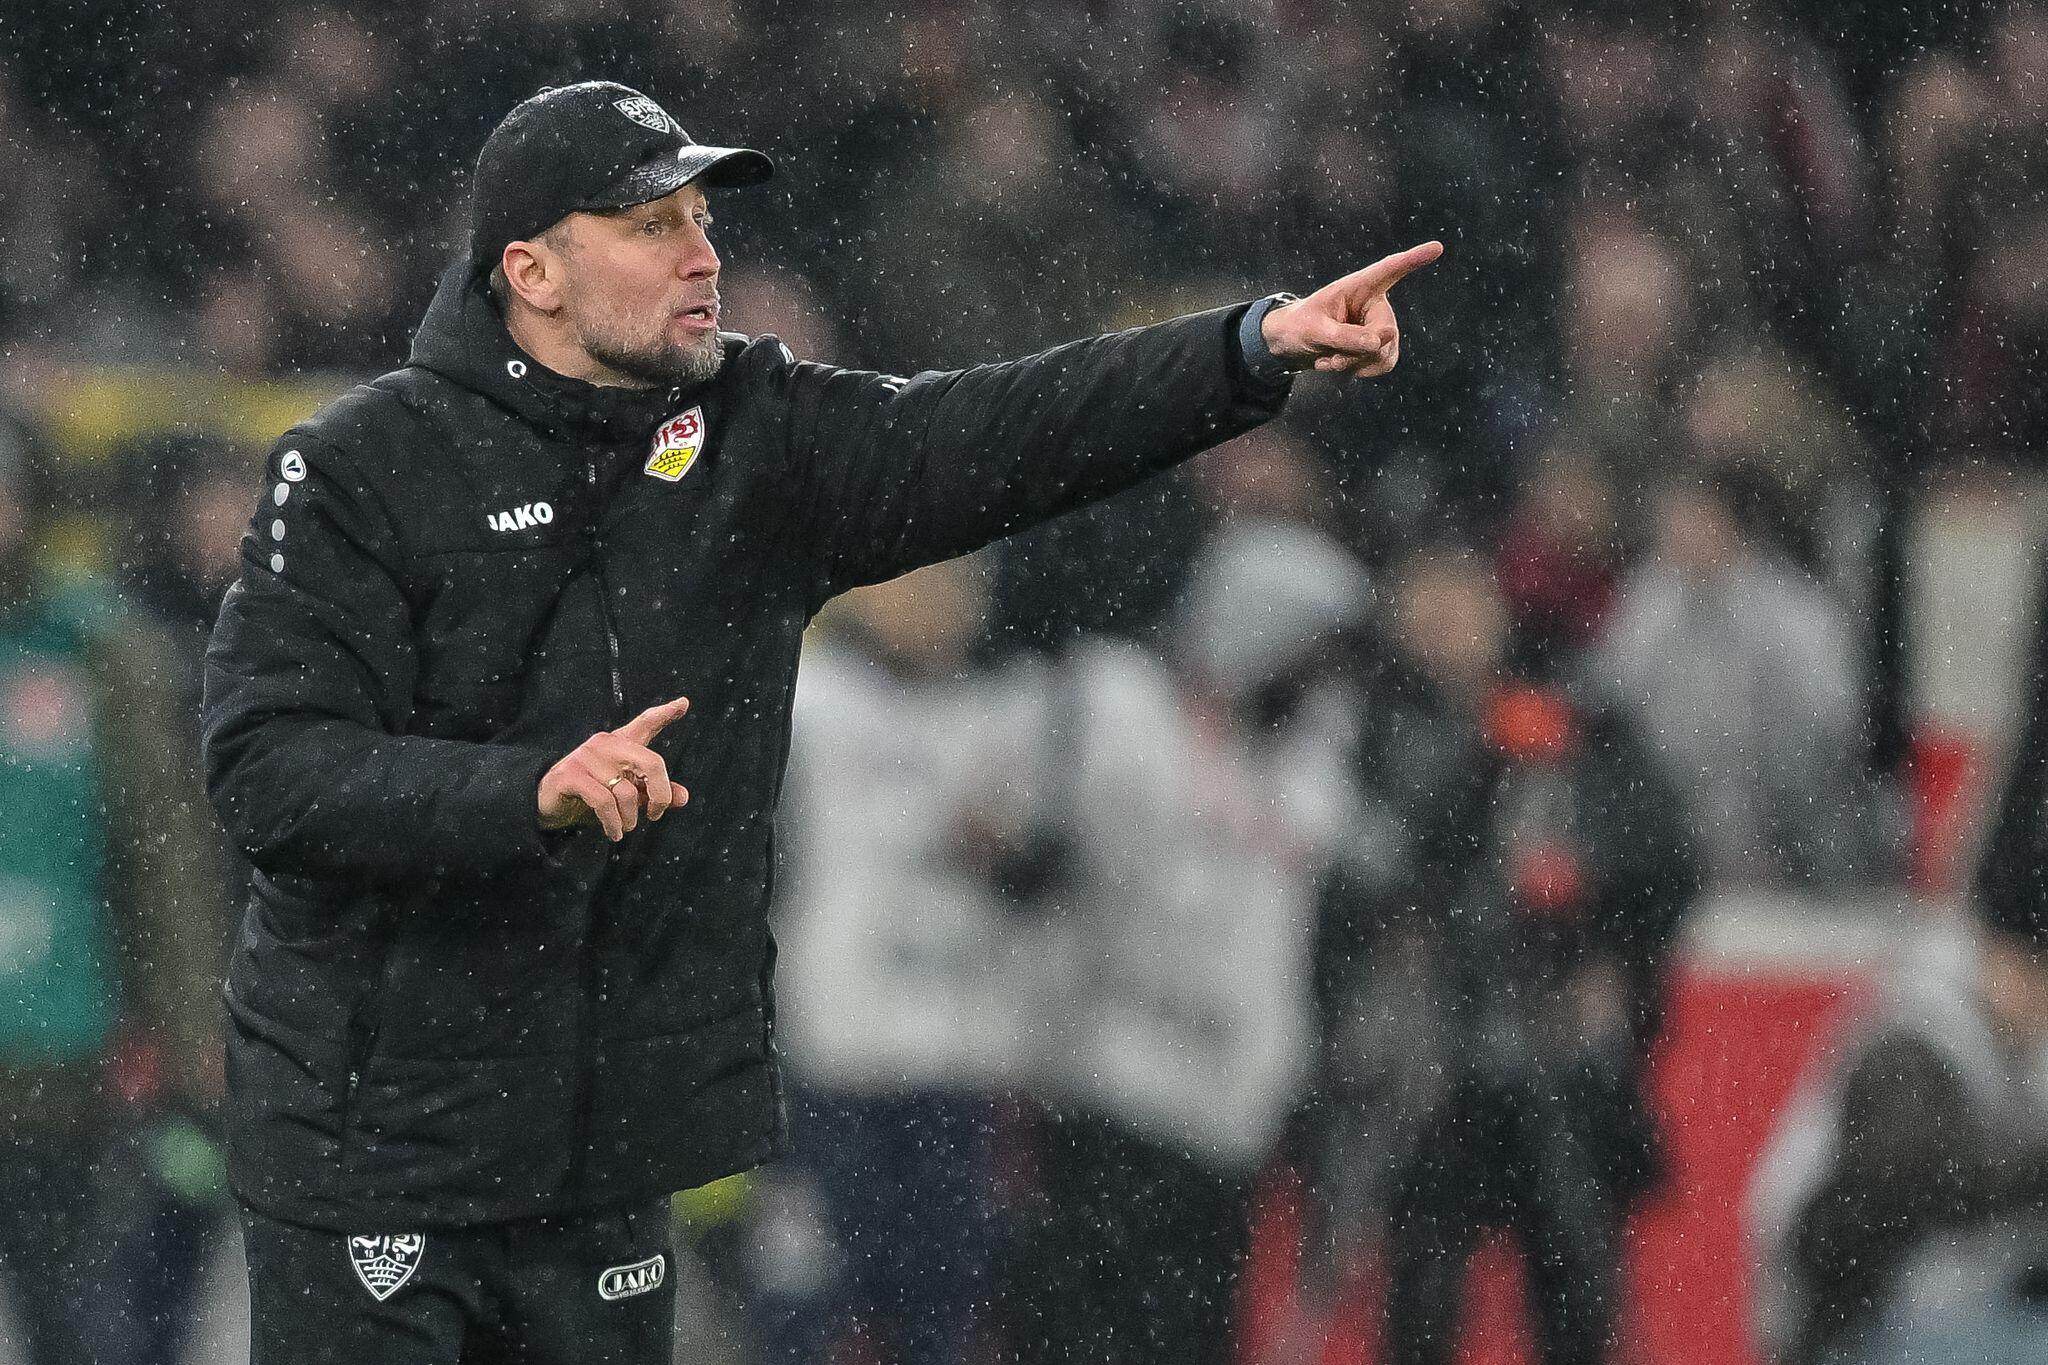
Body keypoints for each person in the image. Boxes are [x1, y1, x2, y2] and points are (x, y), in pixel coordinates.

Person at [199, 79, 1442, 1364]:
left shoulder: (752, 440)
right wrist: (523, 793)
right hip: (378, 1126)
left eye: (701, 218)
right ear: (532, 272)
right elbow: (266, 767)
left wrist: (1244, 350)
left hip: (601, 1134)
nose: (701, 255)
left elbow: (1002, 428)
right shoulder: (358, 469)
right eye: (651, 225)